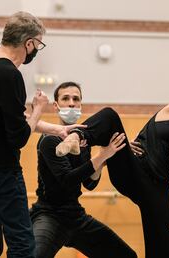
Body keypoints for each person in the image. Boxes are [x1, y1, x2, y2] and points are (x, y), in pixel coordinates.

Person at [0, 12, 83, 258]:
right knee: (23, 244)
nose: (36, 50)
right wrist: (38, 108)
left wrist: (57, 129)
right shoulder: (8, 74)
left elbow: (13, 119)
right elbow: (19, 136)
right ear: (29, 43)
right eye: (38, 44)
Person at [55, 88, 169, 258]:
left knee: (165, 239)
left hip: (156, 186)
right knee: (110, 116)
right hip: (134, 172)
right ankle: (76, 137)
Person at [30, 82, 137, 258]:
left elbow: (89, 183)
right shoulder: (49, 140)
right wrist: (101, 156)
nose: (71, 103)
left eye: (76, 99)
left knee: (126, 256)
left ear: (81, 105)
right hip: (49, 215)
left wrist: (105, 155)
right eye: (66, 98)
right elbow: (68, 180)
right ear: (56, 106)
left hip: (76, 217)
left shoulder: (83, 140)